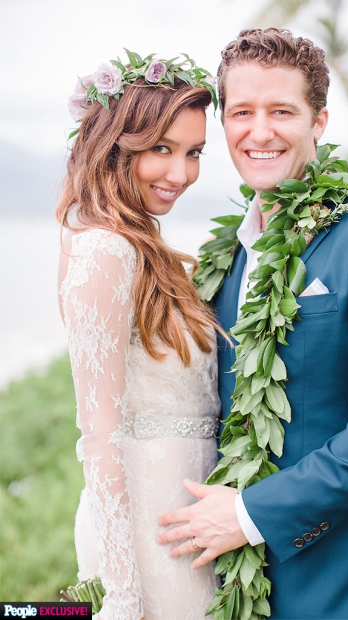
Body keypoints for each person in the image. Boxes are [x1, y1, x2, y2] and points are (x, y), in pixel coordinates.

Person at [157, 29, 348, 619]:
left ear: (319, 121)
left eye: (282, 111)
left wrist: (249, 515)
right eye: (242, 112)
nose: (260, 132)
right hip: (239, 586)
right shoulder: (225, 260)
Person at [56, 52, 222, 619]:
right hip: (148, 537)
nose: (181, 174)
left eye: (194, 153)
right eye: (162, 148)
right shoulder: (104, 249)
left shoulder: (142, 249)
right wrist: (124, 593)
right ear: (116, 145)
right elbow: (98, 434)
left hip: (189, 521)